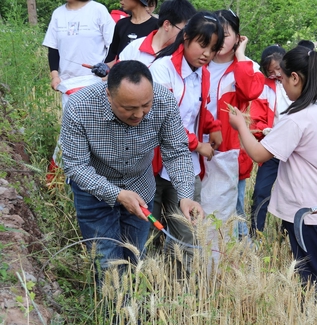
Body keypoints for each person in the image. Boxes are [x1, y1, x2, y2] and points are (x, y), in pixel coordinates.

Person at [60, 60, 203, 280]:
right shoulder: (80, 106)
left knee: (134, 261)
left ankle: (130, 312)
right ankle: (112, 313)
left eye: (146, 105)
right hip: (94, 194)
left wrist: (185, 195)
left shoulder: (164, 101)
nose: (139, 114)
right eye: (129, 108)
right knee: (108, 266)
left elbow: (176, 152)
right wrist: (116, 194)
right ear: (109, 95)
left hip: (140, 190)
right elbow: (75, 165)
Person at [229, 46, 317, 285]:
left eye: (282, 79)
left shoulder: (297, 118)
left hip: (308, 213)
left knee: (312, 279)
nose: (281, 85)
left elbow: (259, 154)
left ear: (295, 77)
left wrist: (241, 125)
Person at [148, 12, 223, 258]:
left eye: (213, 49)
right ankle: (146, 288)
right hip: (155, 165)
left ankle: (182, 291)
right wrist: (197, 144)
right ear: (186, 37)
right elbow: (163, 120)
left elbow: (198, 109)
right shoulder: (162, 70)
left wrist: (213, 126)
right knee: (149, 235)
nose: (206, 54)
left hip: (186, 168)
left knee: (188, 238)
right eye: (202, 45)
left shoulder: (204, 74)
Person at [204, 9, 264, 241]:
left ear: (238, 38)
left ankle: (241, 249)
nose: (219, 39)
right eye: (215, 32)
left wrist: (241, 55)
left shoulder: (247, 66)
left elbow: (250, 91)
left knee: (233, 205)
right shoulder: (200, 62)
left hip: (231, 151)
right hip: (201, 146)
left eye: (226, 34)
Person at [43, 0, 115, 181]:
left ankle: (98, 180)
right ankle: (60, 182)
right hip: (69, 86)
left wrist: (106, 69)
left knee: (96, 135)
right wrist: (54, 76)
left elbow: (114, 46)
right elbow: (53, 49)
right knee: (70, 135)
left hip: (96, 83)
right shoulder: (58, 14)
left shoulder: (98, 10)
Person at [248, 45, 291, 236]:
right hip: (272, 145)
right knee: (261, 191)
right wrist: (264, 131)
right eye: (270, 71)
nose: (275, 74)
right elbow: (256, 119)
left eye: (278, 69)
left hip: (294, 149)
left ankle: (287, 233)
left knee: (292, 194)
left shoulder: (297, 81)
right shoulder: (264, 87)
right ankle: (256, 232)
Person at [118, 0, 197, 66]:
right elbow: (115, 77)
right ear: (167, 25)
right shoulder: (135, 47)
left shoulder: (185, 57)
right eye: (184, 31)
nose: (186, 37)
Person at [104, 0, 158, 65]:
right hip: (121, 73)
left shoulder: (157, 26)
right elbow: (112, 56)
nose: (121, 1)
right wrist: (104, 69)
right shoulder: (121, 24)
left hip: (145, 73)